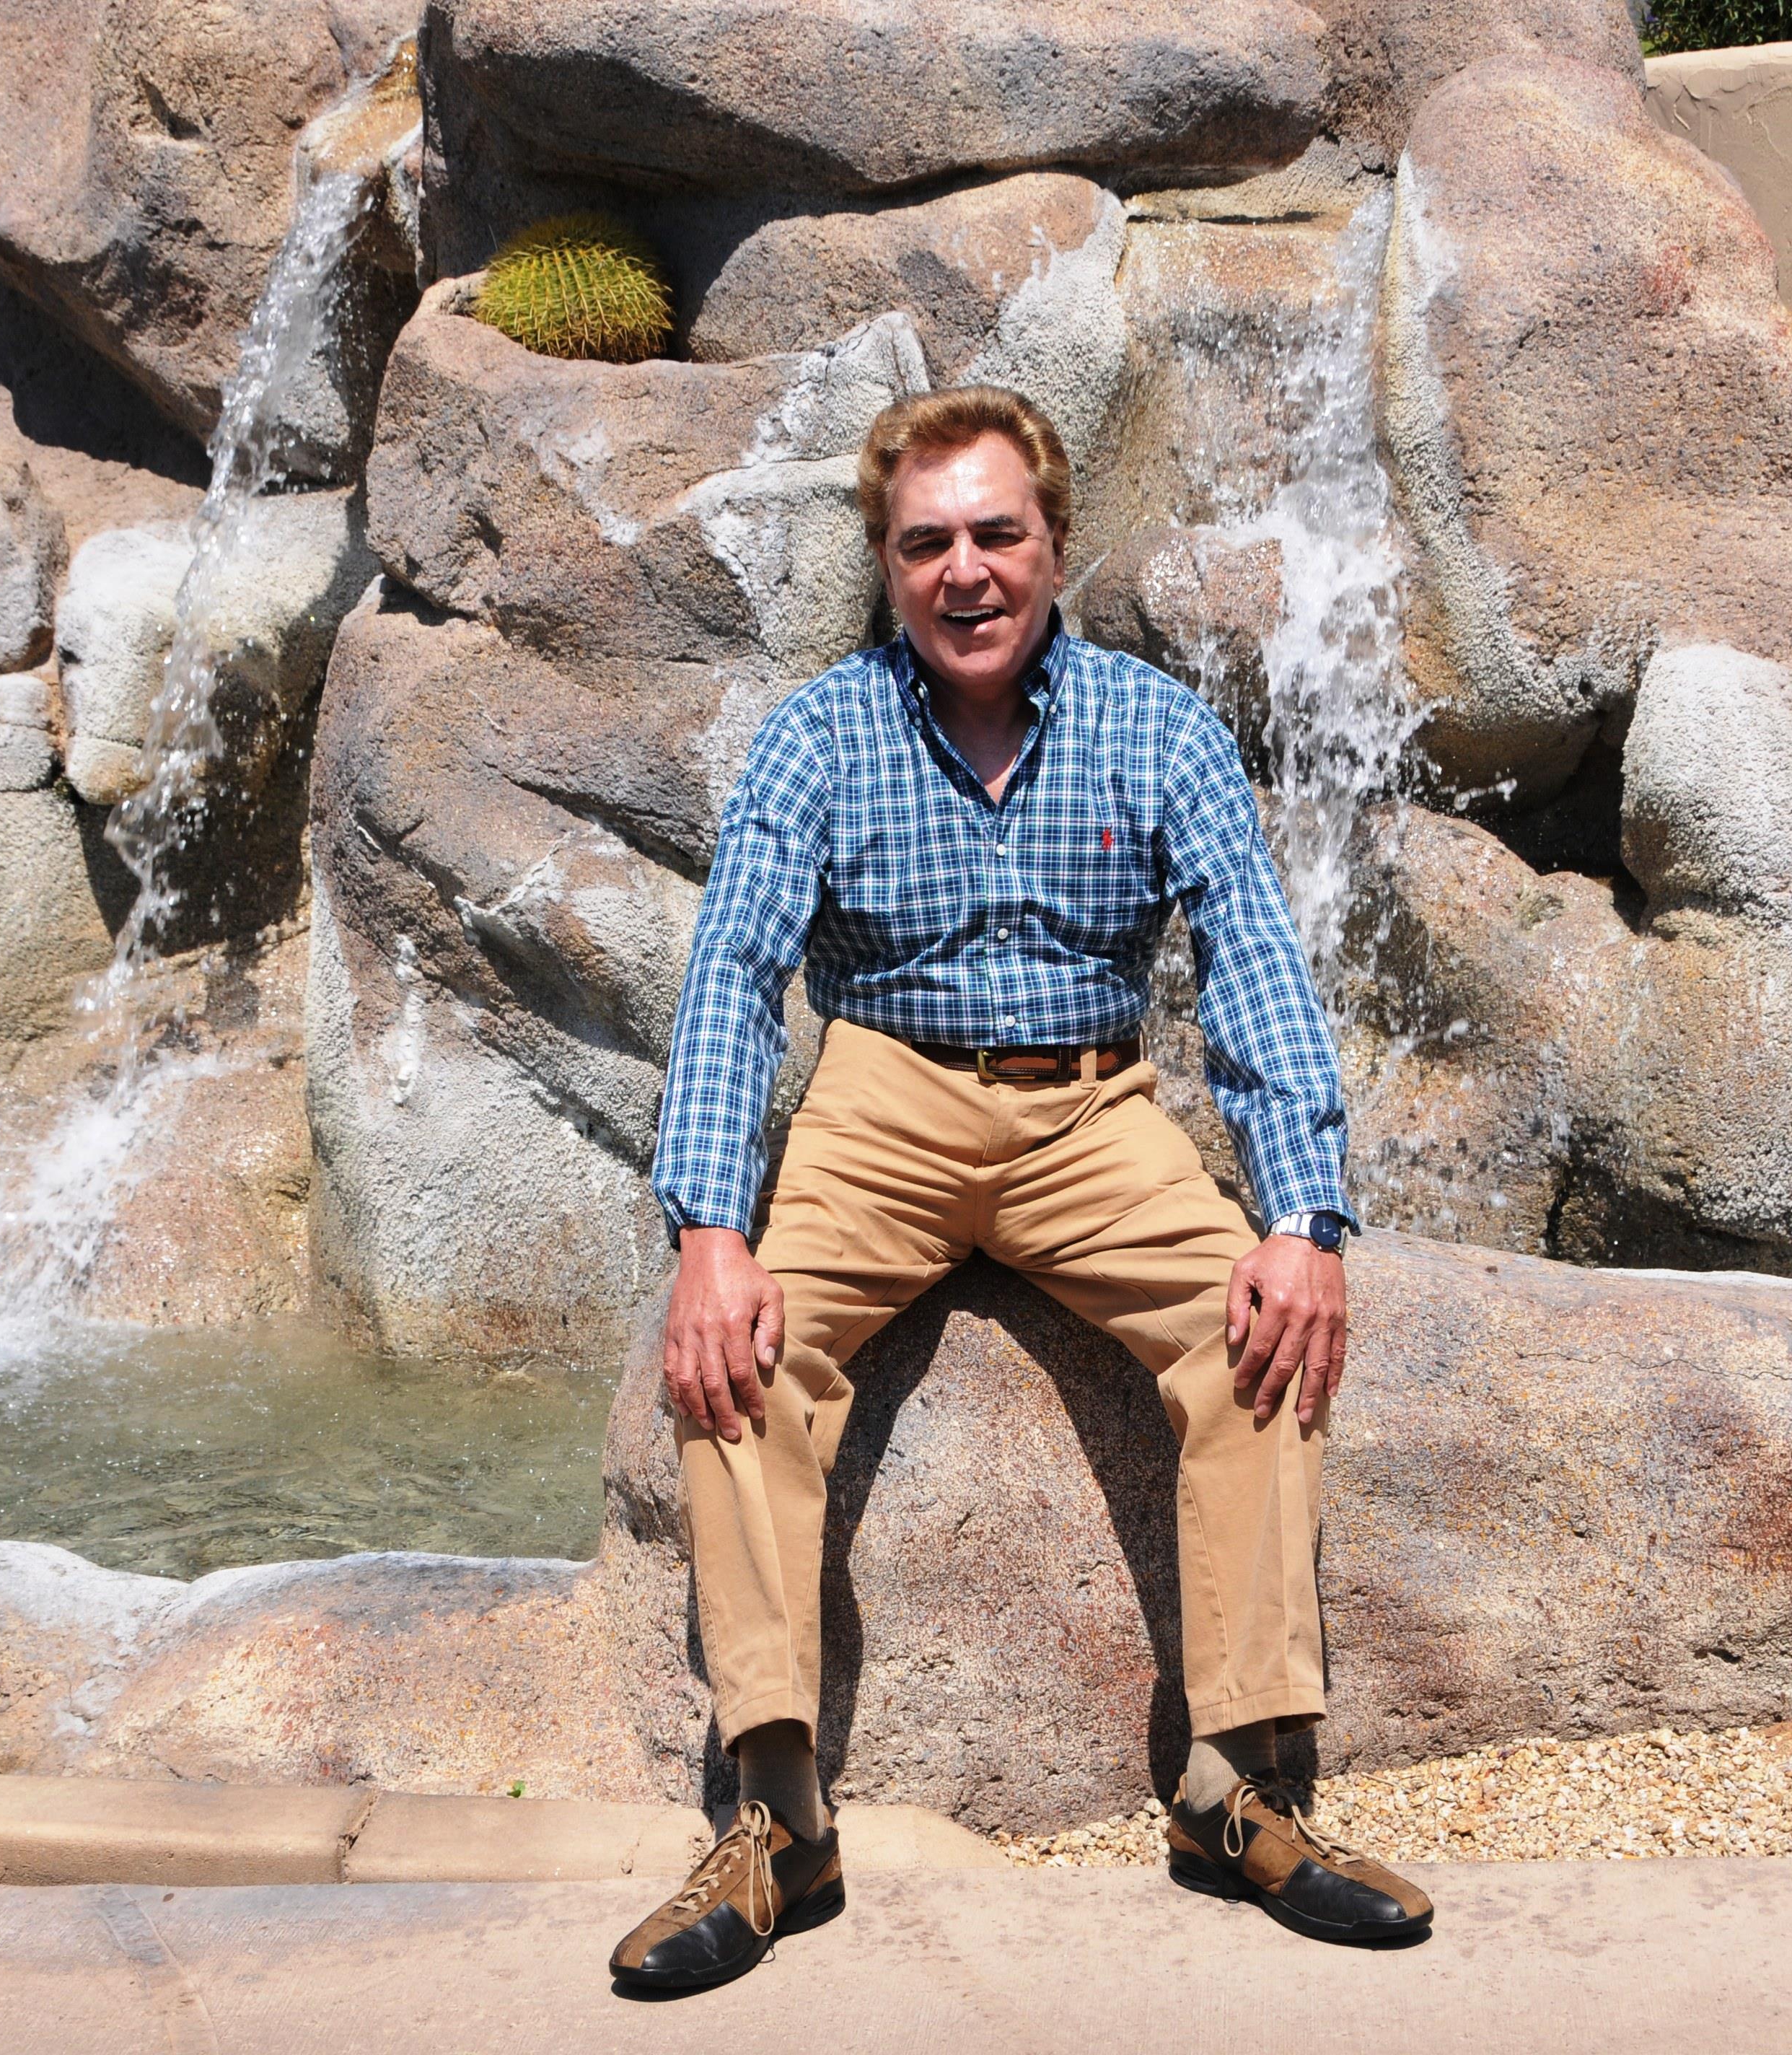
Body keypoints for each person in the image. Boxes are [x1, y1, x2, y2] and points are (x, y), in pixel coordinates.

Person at [605, 386, 1432, 1993]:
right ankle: (775, 1811)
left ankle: (1236, 1787)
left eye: (996, 534)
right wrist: (708, 1229)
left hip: (1090, 1106)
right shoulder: (819, 733)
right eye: (927, 543)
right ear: (885, 563)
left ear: (1054, 546)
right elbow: (729, 985)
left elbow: (1253, 965)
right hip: (880, 1099)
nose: (964, 570)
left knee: (1255, 1335)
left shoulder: (1156, 727)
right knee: (737, 1360)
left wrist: (1299, 1218)